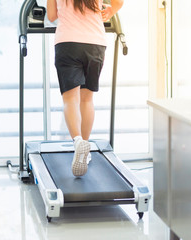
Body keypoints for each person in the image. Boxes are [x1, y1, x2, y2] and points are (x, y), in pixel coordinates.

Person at [47, 0, 124, 177]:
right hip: (94, 42)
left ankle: (78, 142)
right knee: (87, 98)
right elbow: (119, 2)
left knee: (70, 99)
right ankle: (86, 148)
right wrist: (110, 11)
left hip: (67, 43)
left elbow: (51, 16)